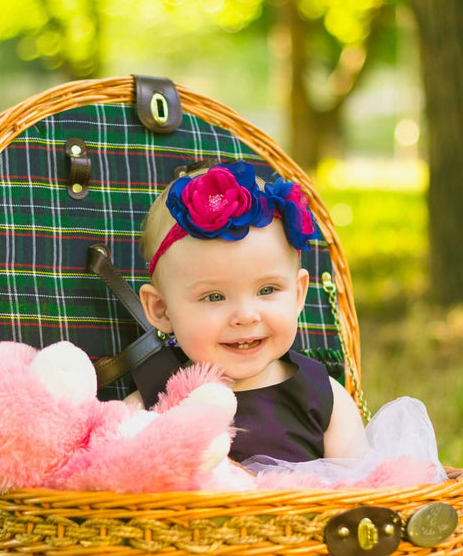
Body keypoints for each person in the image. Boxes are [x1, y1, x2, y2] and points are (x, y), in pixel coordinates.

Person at [130, 160, 366, 465]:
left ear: (297, 294)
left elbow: (362, 490)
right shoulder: (156, 398)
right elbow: (109, 469)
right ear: (161, 309)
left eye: (267, 290)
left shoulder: (321, 395)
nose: (246, 315)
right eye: (214, 296)